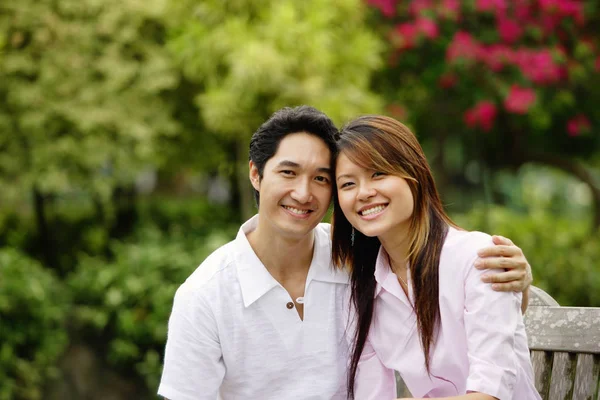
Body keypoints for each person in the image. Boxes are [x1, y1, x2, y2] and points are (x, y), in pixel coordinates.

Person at [158, 106, 533, 400]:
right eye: (288, 173)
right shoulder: (204, 295)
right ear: (256, 175)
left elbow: (489, 373)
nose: (304, 194)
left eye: (321, 178)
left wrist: (519, 284)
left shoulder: (357, 263)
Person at [331, 115, 541, 399]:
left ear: (413, 175)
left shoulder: (478, 259)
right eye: (347, 184)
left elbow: (489, 393)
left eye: (378, 173)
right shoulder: (362, 288)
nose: (364, 193)